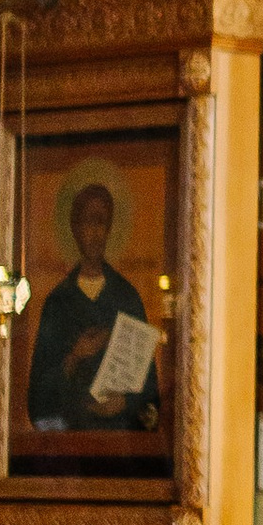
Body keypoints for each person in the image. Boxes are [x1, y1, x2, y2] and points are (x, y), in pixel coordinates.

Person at [26, 184, 160, 436]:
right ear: (75, 228)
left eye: (102, 222)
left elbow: (150, 392)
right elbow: (38, 402)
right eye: (89, 222)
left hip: (121, 442)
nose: (96, 232)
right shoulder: (58, 303)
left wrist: (126, 402)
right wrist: (74, 356)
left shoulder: (127, 297)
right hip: (70, 442)